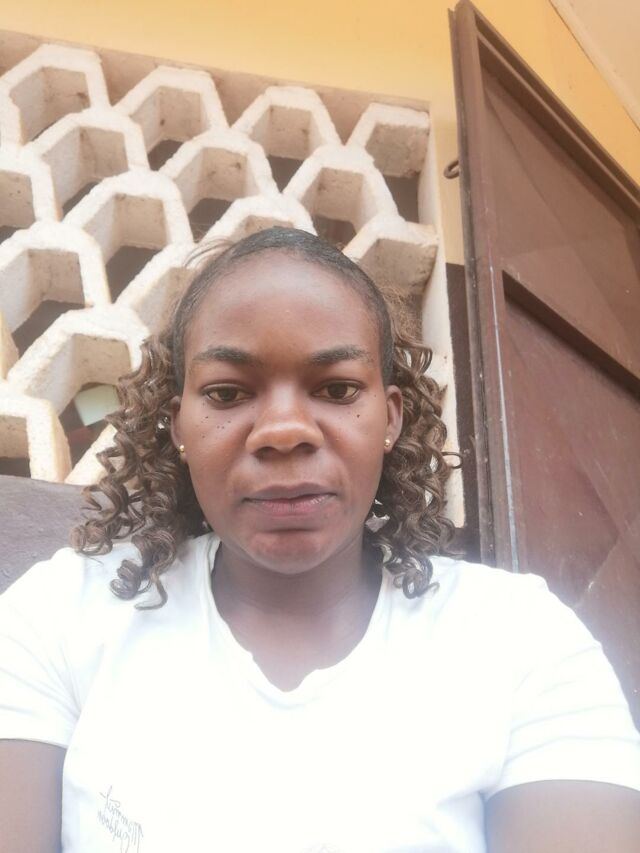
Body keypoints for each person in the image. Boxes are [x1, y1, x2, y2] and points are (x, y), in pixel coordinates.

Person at [0, 227, 639, 853]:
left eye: (337, 389)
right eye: (227, 392)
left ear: (390, 418)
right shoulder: (61, 615)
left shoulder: (520, 641)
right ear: (178, 426)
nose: (283, 431)